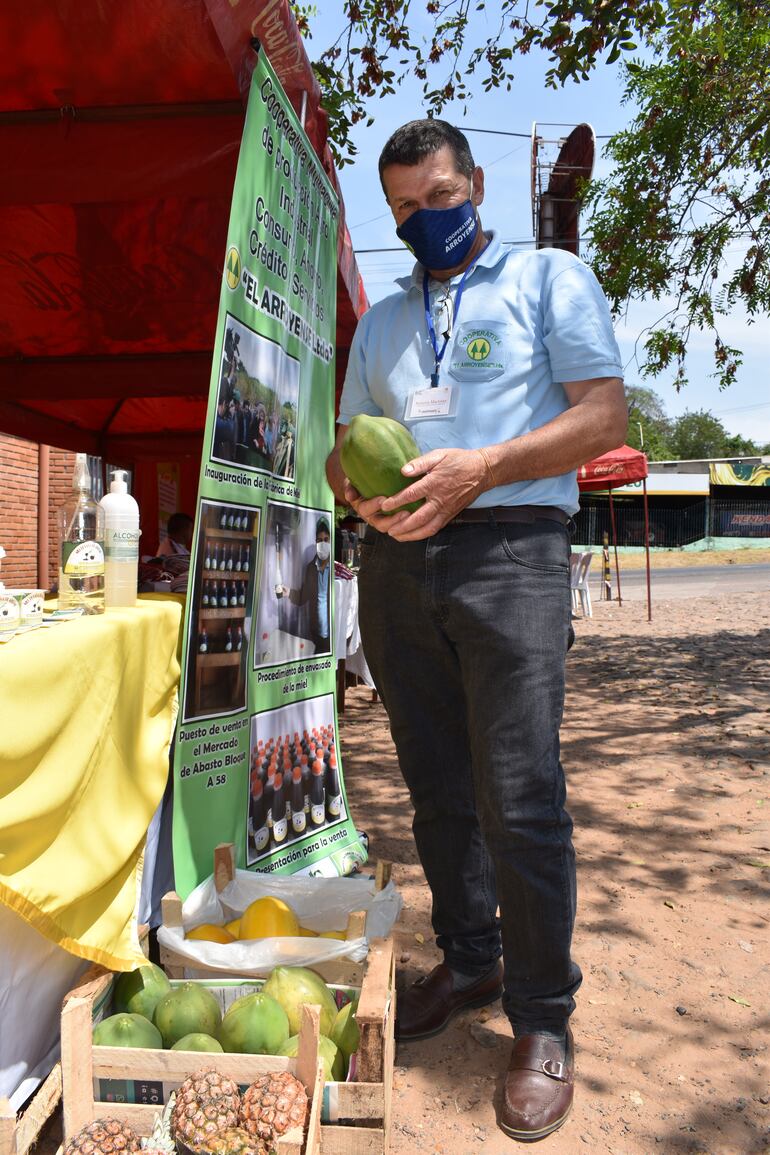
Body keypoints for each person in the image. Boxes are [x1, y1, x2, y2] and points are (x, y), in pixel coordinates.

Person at [326, 118, 627, 1142]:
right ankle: (469, 956)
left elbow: (601, 418)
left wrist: (477, 468)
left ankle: (542, 1021)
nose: (425, 220)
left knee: (520, 797)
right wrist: (358, 495)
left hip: (510, 556)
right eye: (405, 208)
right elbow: (340, 448)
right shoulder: (382, 322)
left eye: (440, 198)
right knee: (437, 791)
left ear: (475, 183)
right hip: (397, 562)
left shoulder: (544, 280)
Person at [280, 517, 332, 654]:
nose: (323, 543)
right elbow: (304, 597)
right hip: (316, 633)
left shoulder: (335, 570)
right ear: (315, 542)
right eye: (319, 540)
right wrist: (288, 592)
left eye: (326, 539)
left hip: (333, 633)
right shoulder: (311, 568)